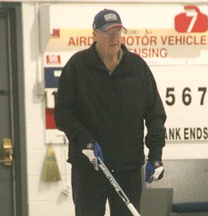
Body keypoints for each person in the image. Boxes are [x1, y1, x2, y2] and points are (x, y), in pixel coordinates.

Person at [54, 8, 166, 216]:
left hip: (128, 169)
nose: (114, 38)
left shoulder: (137, 68)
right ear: (94, 34)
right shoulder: (78, 67)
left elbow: (155, 115)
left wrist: (156, 155)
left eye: (117, 31)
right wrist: (83, 139)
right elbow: (63, 113)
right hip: (89, 168)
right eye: (107, 32)